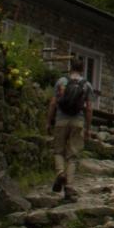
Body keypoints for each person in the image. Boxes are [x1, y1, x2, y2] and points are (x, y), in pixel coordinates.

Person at [46, 55, 93, 203]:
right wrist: (87, 128)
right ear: (82, 69)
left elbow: (53, 103)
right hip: (77, 122)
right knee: (73, 156)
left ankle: (60, 173)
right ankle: (69, 187)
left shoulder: (61, 82)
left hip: (61, 120)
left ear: (70, 67)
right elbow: (89, 109)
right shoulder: (87, 85)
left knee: (58, 150)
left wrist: (48, 121)